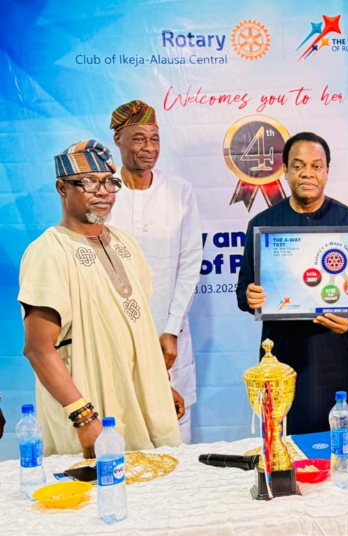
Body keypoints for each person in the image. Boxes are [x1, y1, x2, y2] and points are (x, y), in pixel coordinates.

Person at [18, 140, 182, 457]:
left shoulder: (125, 243)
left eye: (110, 181)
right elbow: (38, 349)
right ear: (62, 188)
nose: (103, 192)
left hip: (141, 404)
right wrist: (83, 417)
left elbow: (137, 331)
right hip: (90, 414)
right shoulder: (49, 252)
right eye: (90, 182)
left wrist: (161, 387)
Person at [236, 132, 348, 435]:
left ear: (327, 171)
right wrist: (251, 296)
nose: (307, 173)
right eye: (298, 166)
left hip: (334, 353)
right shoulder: (262, 224)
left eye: (316, 166)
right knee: (285, 446)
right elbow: (243, 292)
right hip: (282, 356)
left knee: (338, 443)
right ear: (285, 171)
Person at [108, 100, 202, 442]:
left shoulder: (179, 191)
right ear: (118, 139)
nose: (149, 149)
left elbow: (190, 262)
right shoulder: (101, 192)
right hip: (115, 335)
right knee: (121, 433)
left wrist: (172, 328)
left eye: (155, 139)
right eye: (138, 139)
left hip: (169, 336)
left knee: (175, 437)